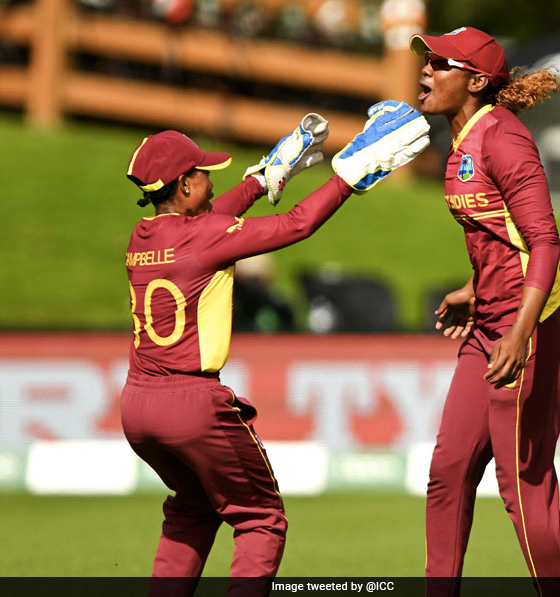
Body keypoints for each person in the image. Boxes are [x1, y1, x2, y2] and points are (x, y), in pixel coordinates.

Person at [120, 102, 429, 595]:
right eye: (202, 174)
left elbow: (209, 222)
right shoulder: (205, 236)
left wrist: (263, 179)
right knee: (261, 517)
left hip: (137, 404)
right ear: (183, 186)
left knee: (193, 507)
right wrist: (348, 177)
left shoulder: (142, 238)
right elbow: (296, 224)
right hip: (192, 404)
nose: (211, 181)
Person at [408, 27, 560, 596]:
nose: (426, 69)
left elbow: (545, 243)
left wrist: (519, 333)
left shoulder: (504, 140)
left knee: (523, 485)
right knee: (448, 472)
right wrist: (475, 286)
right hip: (491, 323)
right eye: (426, 59)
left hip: (534, 327)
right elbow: (499, 234)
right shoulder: (462, 139)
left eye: (440, 62)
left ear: (476, 81)